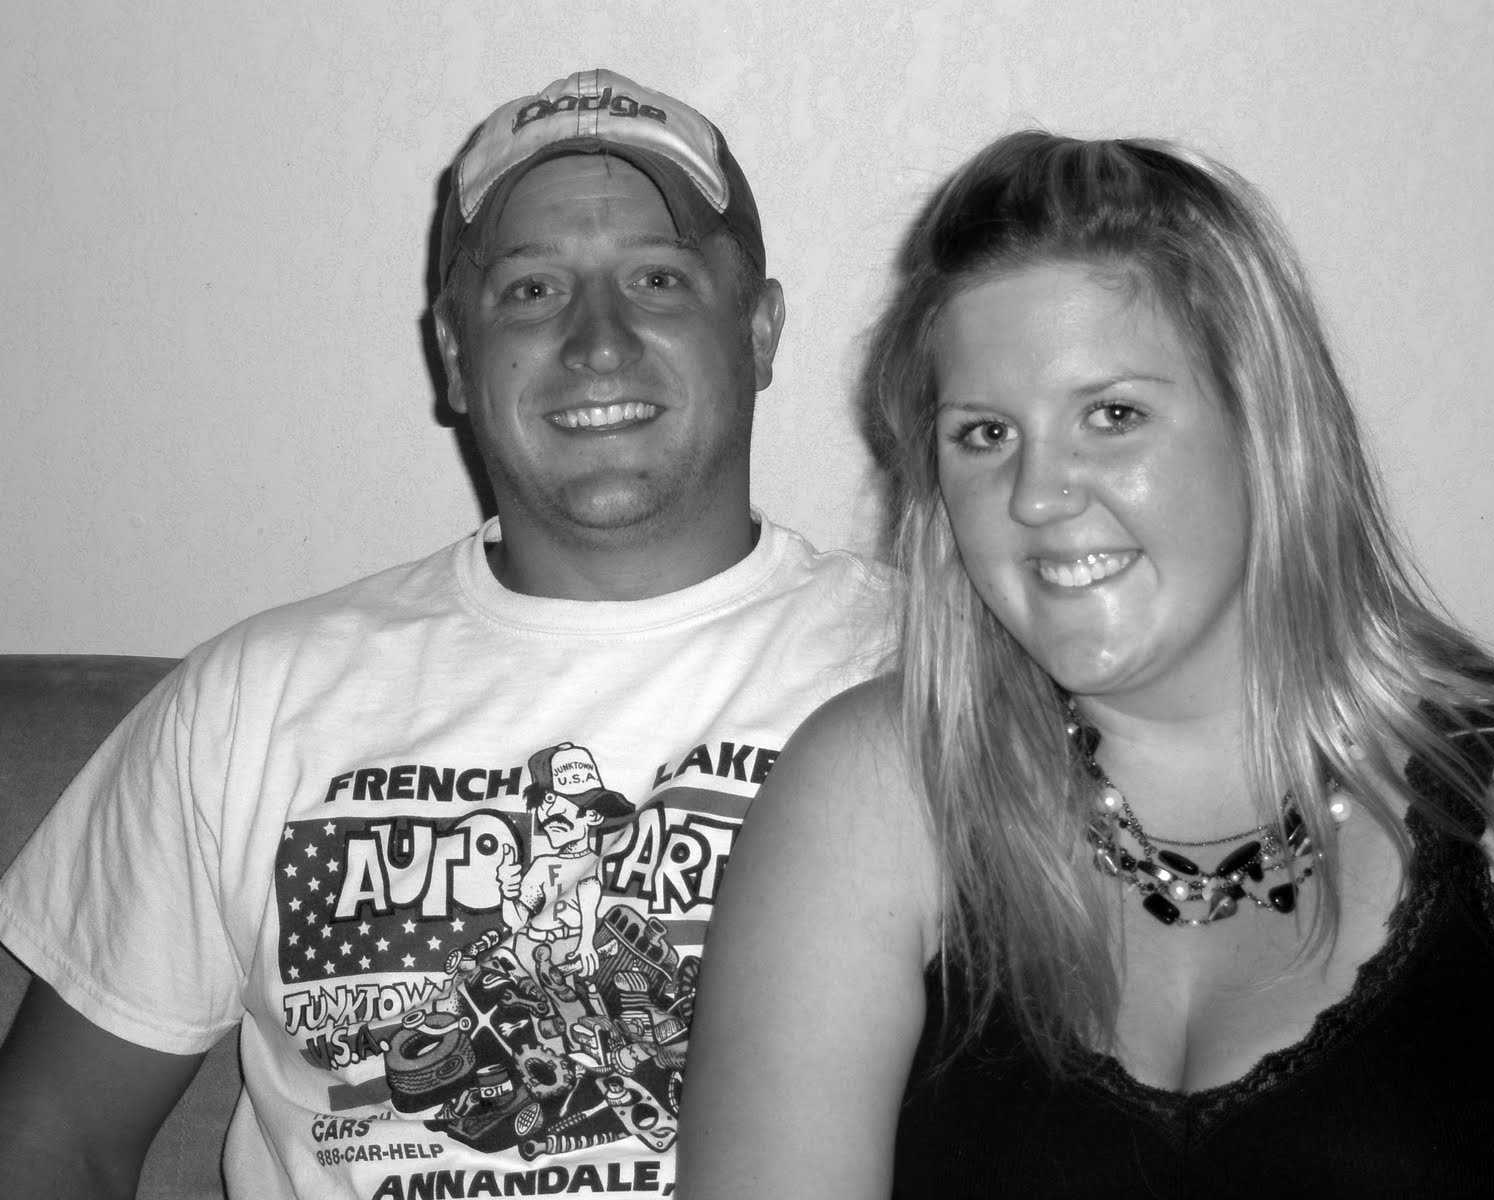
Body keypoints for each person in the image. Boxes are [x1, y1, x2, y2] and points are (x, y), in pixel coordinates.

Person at [0, 69, 892, 1198]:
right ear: (458, 357)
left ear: (758, 331)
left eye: (658, 279)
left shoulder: (935, 674)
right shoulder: (253, 701)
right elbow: (53, 1137)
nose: (598, 341)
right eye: (532, 289)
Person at [677, 131, 1494, 1199]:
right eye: (983, 435)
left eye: (1112, 416)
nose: (1036, 496)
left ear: (1269, 429)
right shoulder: (874, 793)